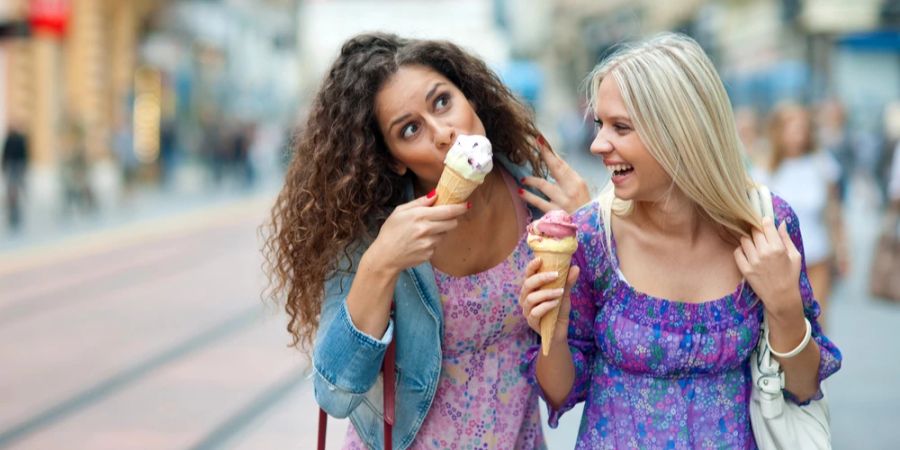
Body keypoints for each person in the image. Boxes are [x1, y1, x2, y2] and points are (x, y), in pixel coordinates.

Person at [262, 33, 589, 449]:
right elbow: (335, 394)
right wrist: (380, 263)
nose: (443, 133)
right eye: (410, 129)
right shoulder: (374, 230)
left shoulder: (541, 202)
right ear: (395, 159)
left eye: (442, 102)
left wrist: (589, 229)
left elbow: (570, 379)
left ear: (469, 98)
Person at [519, 33, 842, 449]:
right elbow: (560, 392)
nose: (598, 144)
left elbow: (803, 386)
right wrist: (554, 334)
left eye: (620, 127)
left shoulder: (766, 225)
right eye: (600, 125)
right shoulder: (593, 239)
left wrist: (784, 307)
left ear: (679, 129)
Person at [755, 102, 848, 326]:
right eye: (792, 128)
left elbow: (834, 211)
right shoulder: (765, 168)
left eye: (802, 128)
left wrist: (843, 249)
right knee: (784, 322)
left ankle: (817, 361)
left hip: (817, 254)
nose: (798, 134)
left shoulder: (821, 163)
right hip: (779, 259)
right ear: (779, 131)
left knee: (818, 320)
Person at [2, 122, 28, 230]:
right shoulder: (12, 139)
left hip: (16, 166)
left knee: (14, 190)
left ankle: (15, 214)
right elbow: (5, 154)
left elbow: (23, 154)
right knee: (12, 190)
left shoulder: (18, 139)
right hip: (13, 166)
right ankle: (13, 214)